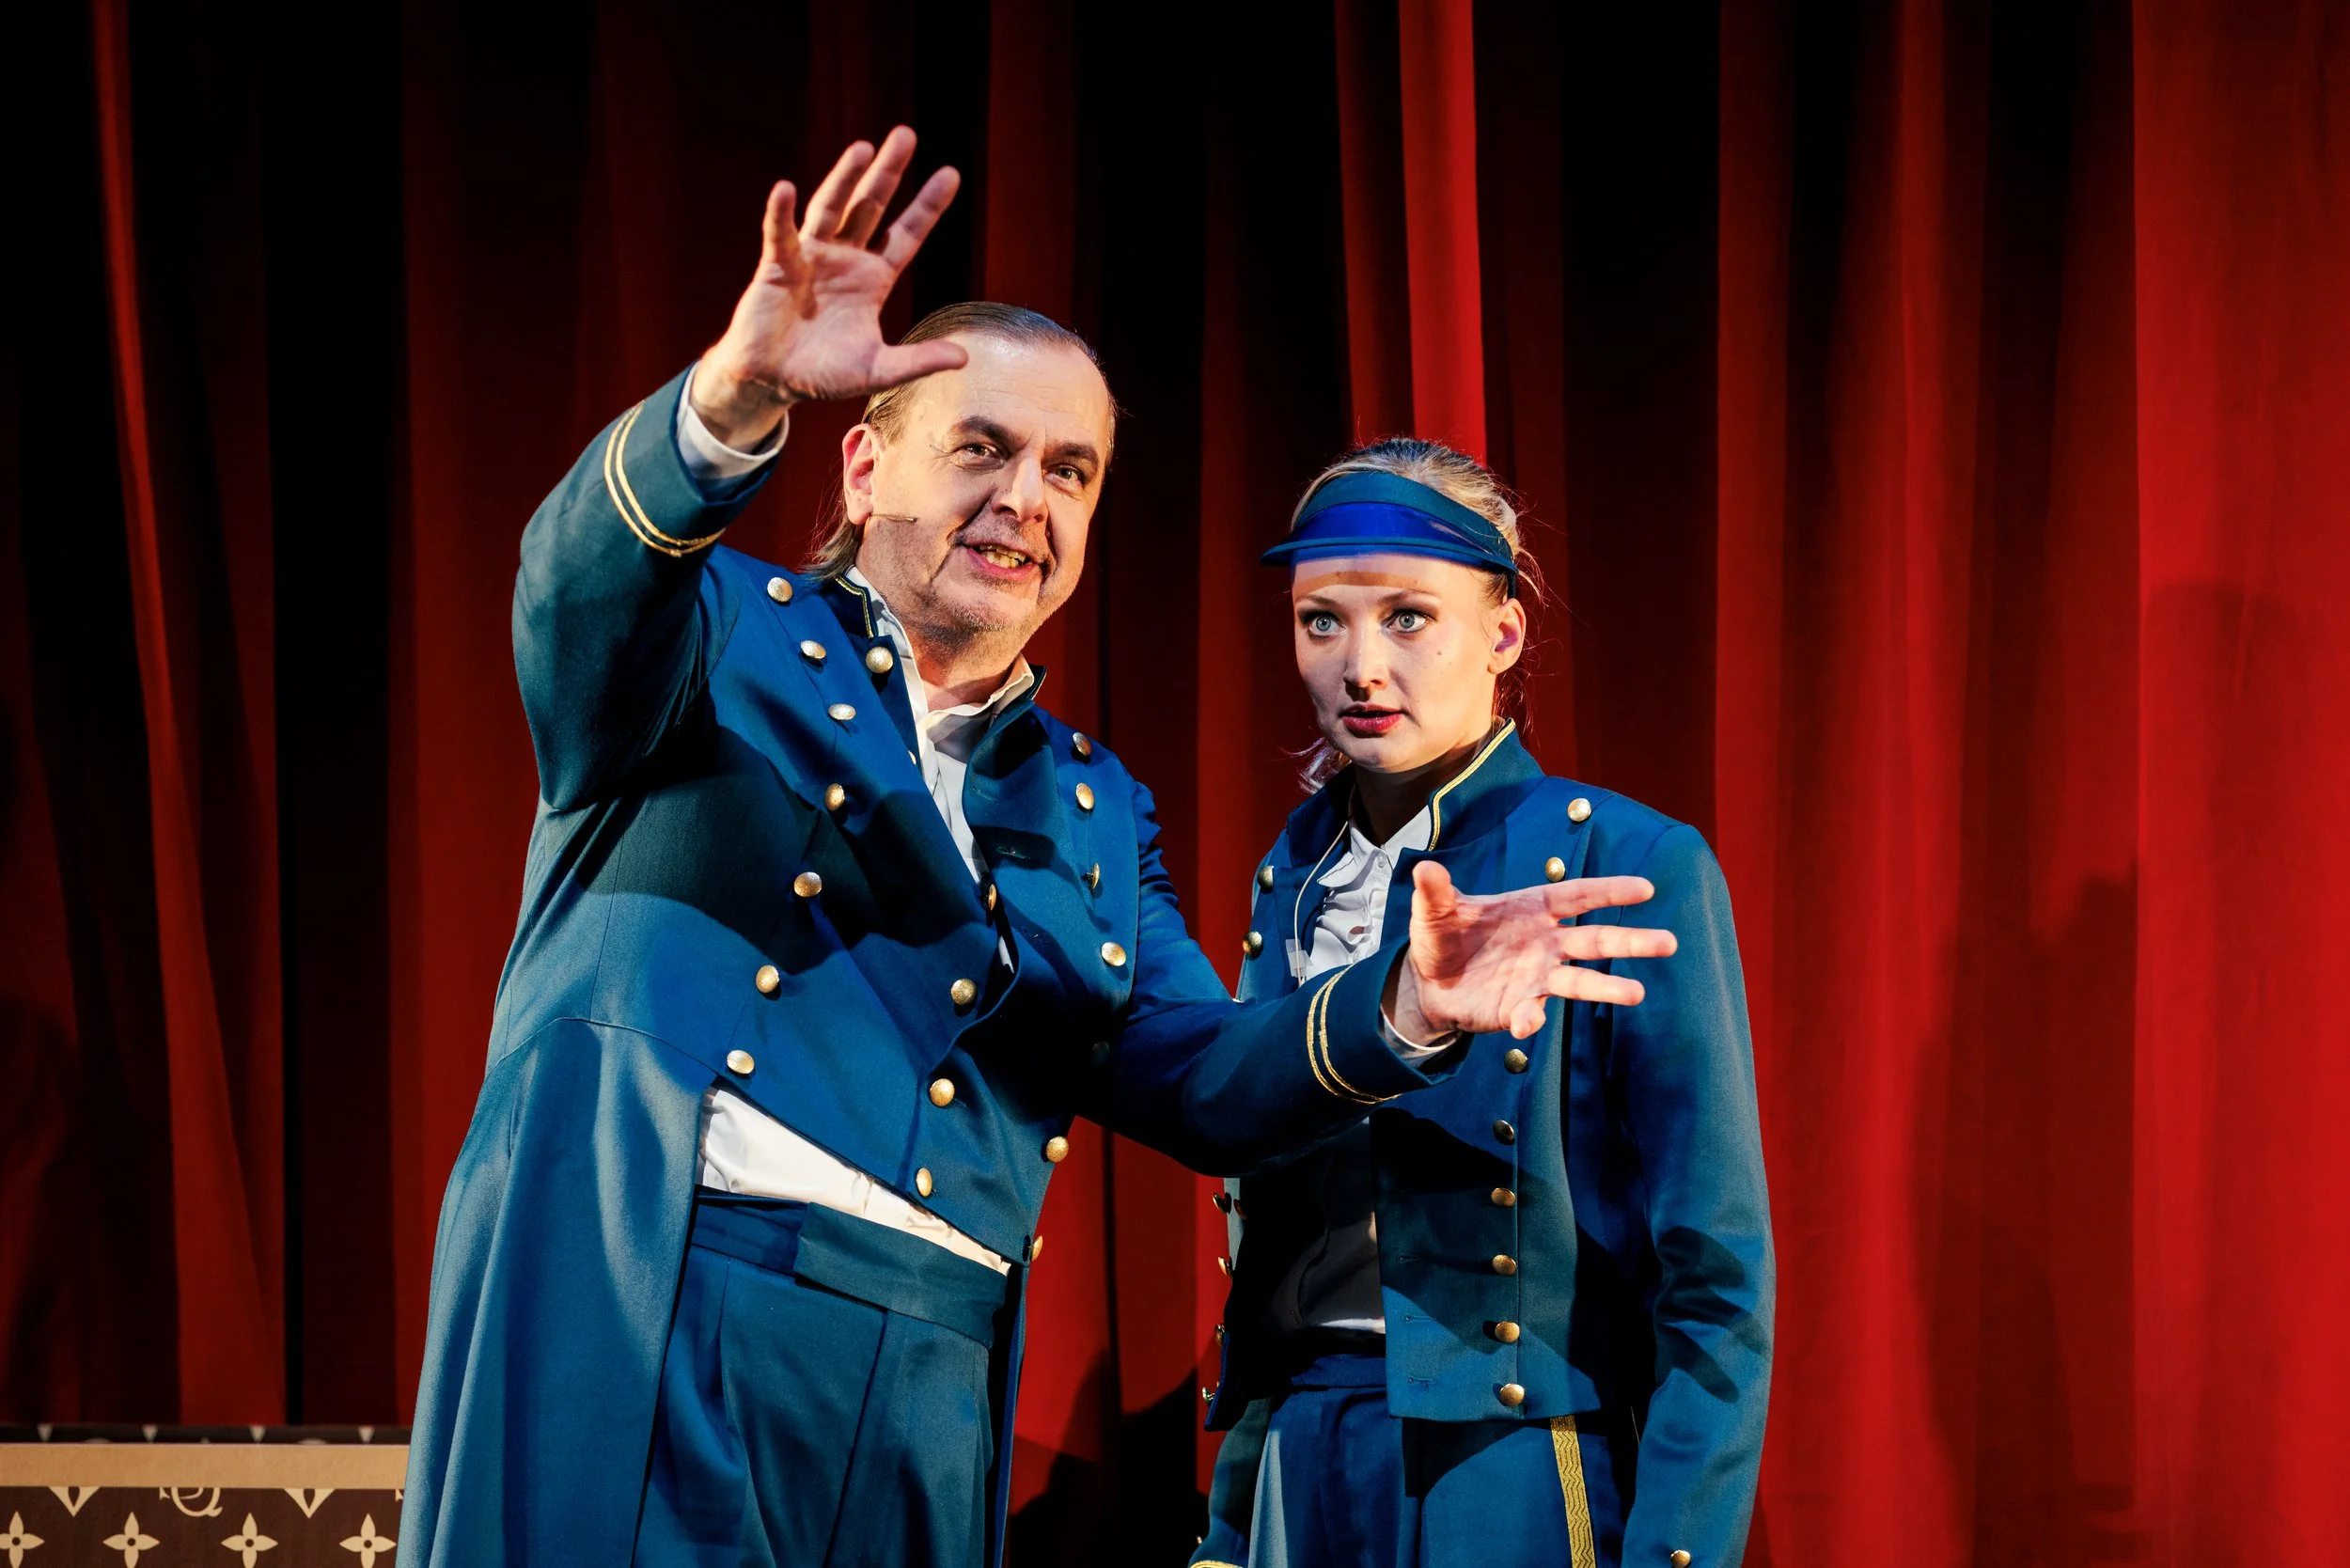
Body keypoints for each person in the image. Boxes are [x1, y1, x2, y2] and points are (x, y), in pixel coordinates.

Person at [397, 128, 1678, 1568]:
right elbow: (575, 583)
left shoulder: (1088, 803)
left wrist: (1402, 1011)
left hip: (929, 1383)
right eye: (984, 450)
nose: (1027, 500)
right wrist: (728, 399)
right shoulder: (713, 640)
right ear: (867, 465)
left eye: (1071, 472)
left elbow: (1200, 1072)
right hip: (667, 1310)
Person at [1192, 442, 1774, 1568]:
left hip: (1507, 1458)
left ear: (1501, 634)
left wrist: (1676, 1553)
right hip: (1301, 1447)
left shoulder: (1620, 859)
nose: (1361, 665)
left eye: (1408, 618)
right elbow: (1272, 1241)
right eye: (1322, 621)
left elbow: (1715, 1270)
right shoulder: (1290, 873)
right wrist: (1233, 1508)